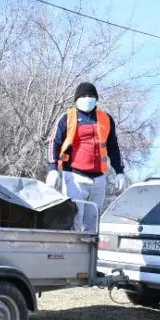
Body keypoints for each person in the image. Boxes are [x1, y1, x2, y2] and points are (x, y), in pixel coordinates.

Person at [45, 82, 126, 232]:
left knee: (92, 225)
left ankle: (89, 255)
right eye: (83, 96)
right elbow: (53, 143)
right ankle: (71, 254)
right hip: (75, 177)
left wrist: (120, 171)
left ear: (96, 99)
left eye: (90, 96)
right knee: (74, 220)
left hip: (99, 179)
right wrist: (52, 168)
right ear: (76, 99)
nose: (87, 98)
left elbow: (114, 147)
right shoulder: (67, 117)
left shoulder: (106, 119)